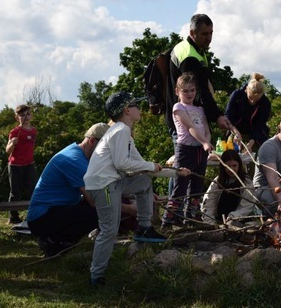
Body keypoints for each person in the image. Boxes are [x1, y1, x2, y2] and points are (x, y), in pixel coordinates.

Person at [85, 92, 189, 287]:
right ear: (126, 110)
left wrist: (177, 173)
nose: (139, 109)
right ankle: (96, 276)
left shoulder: (123, 134)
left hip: (113, 182)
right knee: (109, 230)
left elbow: (142, 167)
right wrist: (150, 166)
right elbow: (122, 163)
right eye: (135, 105)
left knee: (143, 182)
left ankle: (144, 227)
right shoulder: (120, 130)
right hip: (104, 186)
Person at [26, 123, 109, 256]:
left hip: (56, 209)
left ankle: (60, 239)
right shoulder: (74, 160)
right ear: (92, 141)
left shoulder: (81, 155)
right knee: (100, 212)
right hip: (41, 217)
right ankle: (53, 241)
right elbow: (95, 201)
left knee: (104, 204)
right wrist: (130, 209)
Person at [166, 13, 234, 137]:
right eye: (204, 34)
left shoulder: (191, 49)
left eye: (211, 33)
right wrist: (217, 116)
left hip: (188, 120)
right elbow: (199, 92)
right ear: (192, 33)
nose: (209, 38)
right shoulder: (189, 56)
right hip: (186, 125)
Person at [162, 72, 215, 227]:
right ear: (178, 91)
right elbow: (190, 127)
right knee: (181, 185)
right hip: (185, 150)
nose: (190, 94)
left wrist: (207, 141)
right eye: (185, 91)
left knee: (197, 186)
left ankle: (192, 217)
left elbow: (206, 129)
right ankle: (170, 219)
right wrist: (204, 142)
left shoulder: (199, 109)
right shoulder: (178, 107)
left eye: (192, 90)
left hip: (200, 151)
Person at [201, 149, 257, 224]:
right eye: (228, 166)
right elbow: (209, 202)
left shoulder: (246, 182)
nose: (231, 169)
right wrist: (210, 221)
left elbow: (246, 206)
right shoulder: (218, 181)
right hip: (219, 219)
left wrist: (233, 217)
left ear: (239, 165)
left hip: (239, 220)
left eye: (234, 166)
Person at [5, 104, 38, 225]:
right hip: (15, 165)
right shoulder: (15, 131)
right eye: (22, 115)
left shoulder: (34, 131)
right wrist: (12, 143)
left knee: (33, 190)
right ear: (16, 117)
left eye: (28, 114)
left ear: (32, 115)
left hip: (29, 164)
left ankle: (33, 215)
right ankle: (13, 217)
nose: (25, 117)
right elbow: (8, 150)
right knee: (15, 192)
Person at [225, 73, 272, 151]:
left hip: (255, 135)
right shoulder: (236, 95)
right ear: (246, 89)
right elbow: (228, 117)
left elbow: (260, 125)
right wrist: (236, 132)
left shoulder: (265, 103)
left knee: (250, 157)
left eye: (257, 99)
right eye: (250, 97)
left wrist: (250, 143)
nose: (253, 101)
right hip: (234, 129)